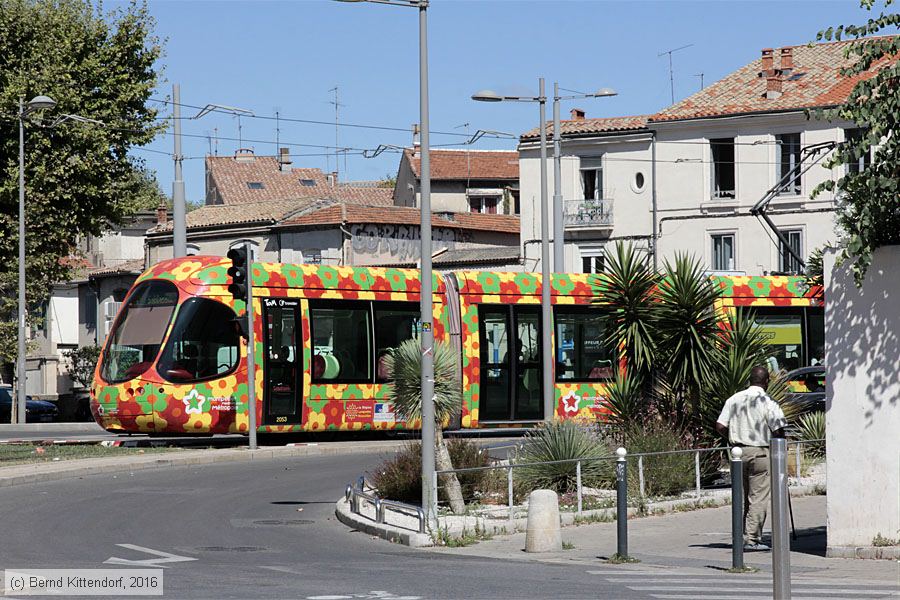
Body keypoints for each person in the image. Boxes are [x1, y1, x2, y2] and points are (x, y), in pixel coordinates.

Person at [716, 366, 787, 551]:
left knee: (741, 496)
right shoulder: (768, 401)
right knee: (758, 498)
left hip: (738, 452)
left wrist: (733, 436)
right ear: (766, 382)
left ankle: (740, 536)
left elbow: (720, 425)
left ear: (749, 379)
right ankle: (752, 539)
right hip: (760, 452)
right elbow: (778, 429)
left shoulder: (734, 399)